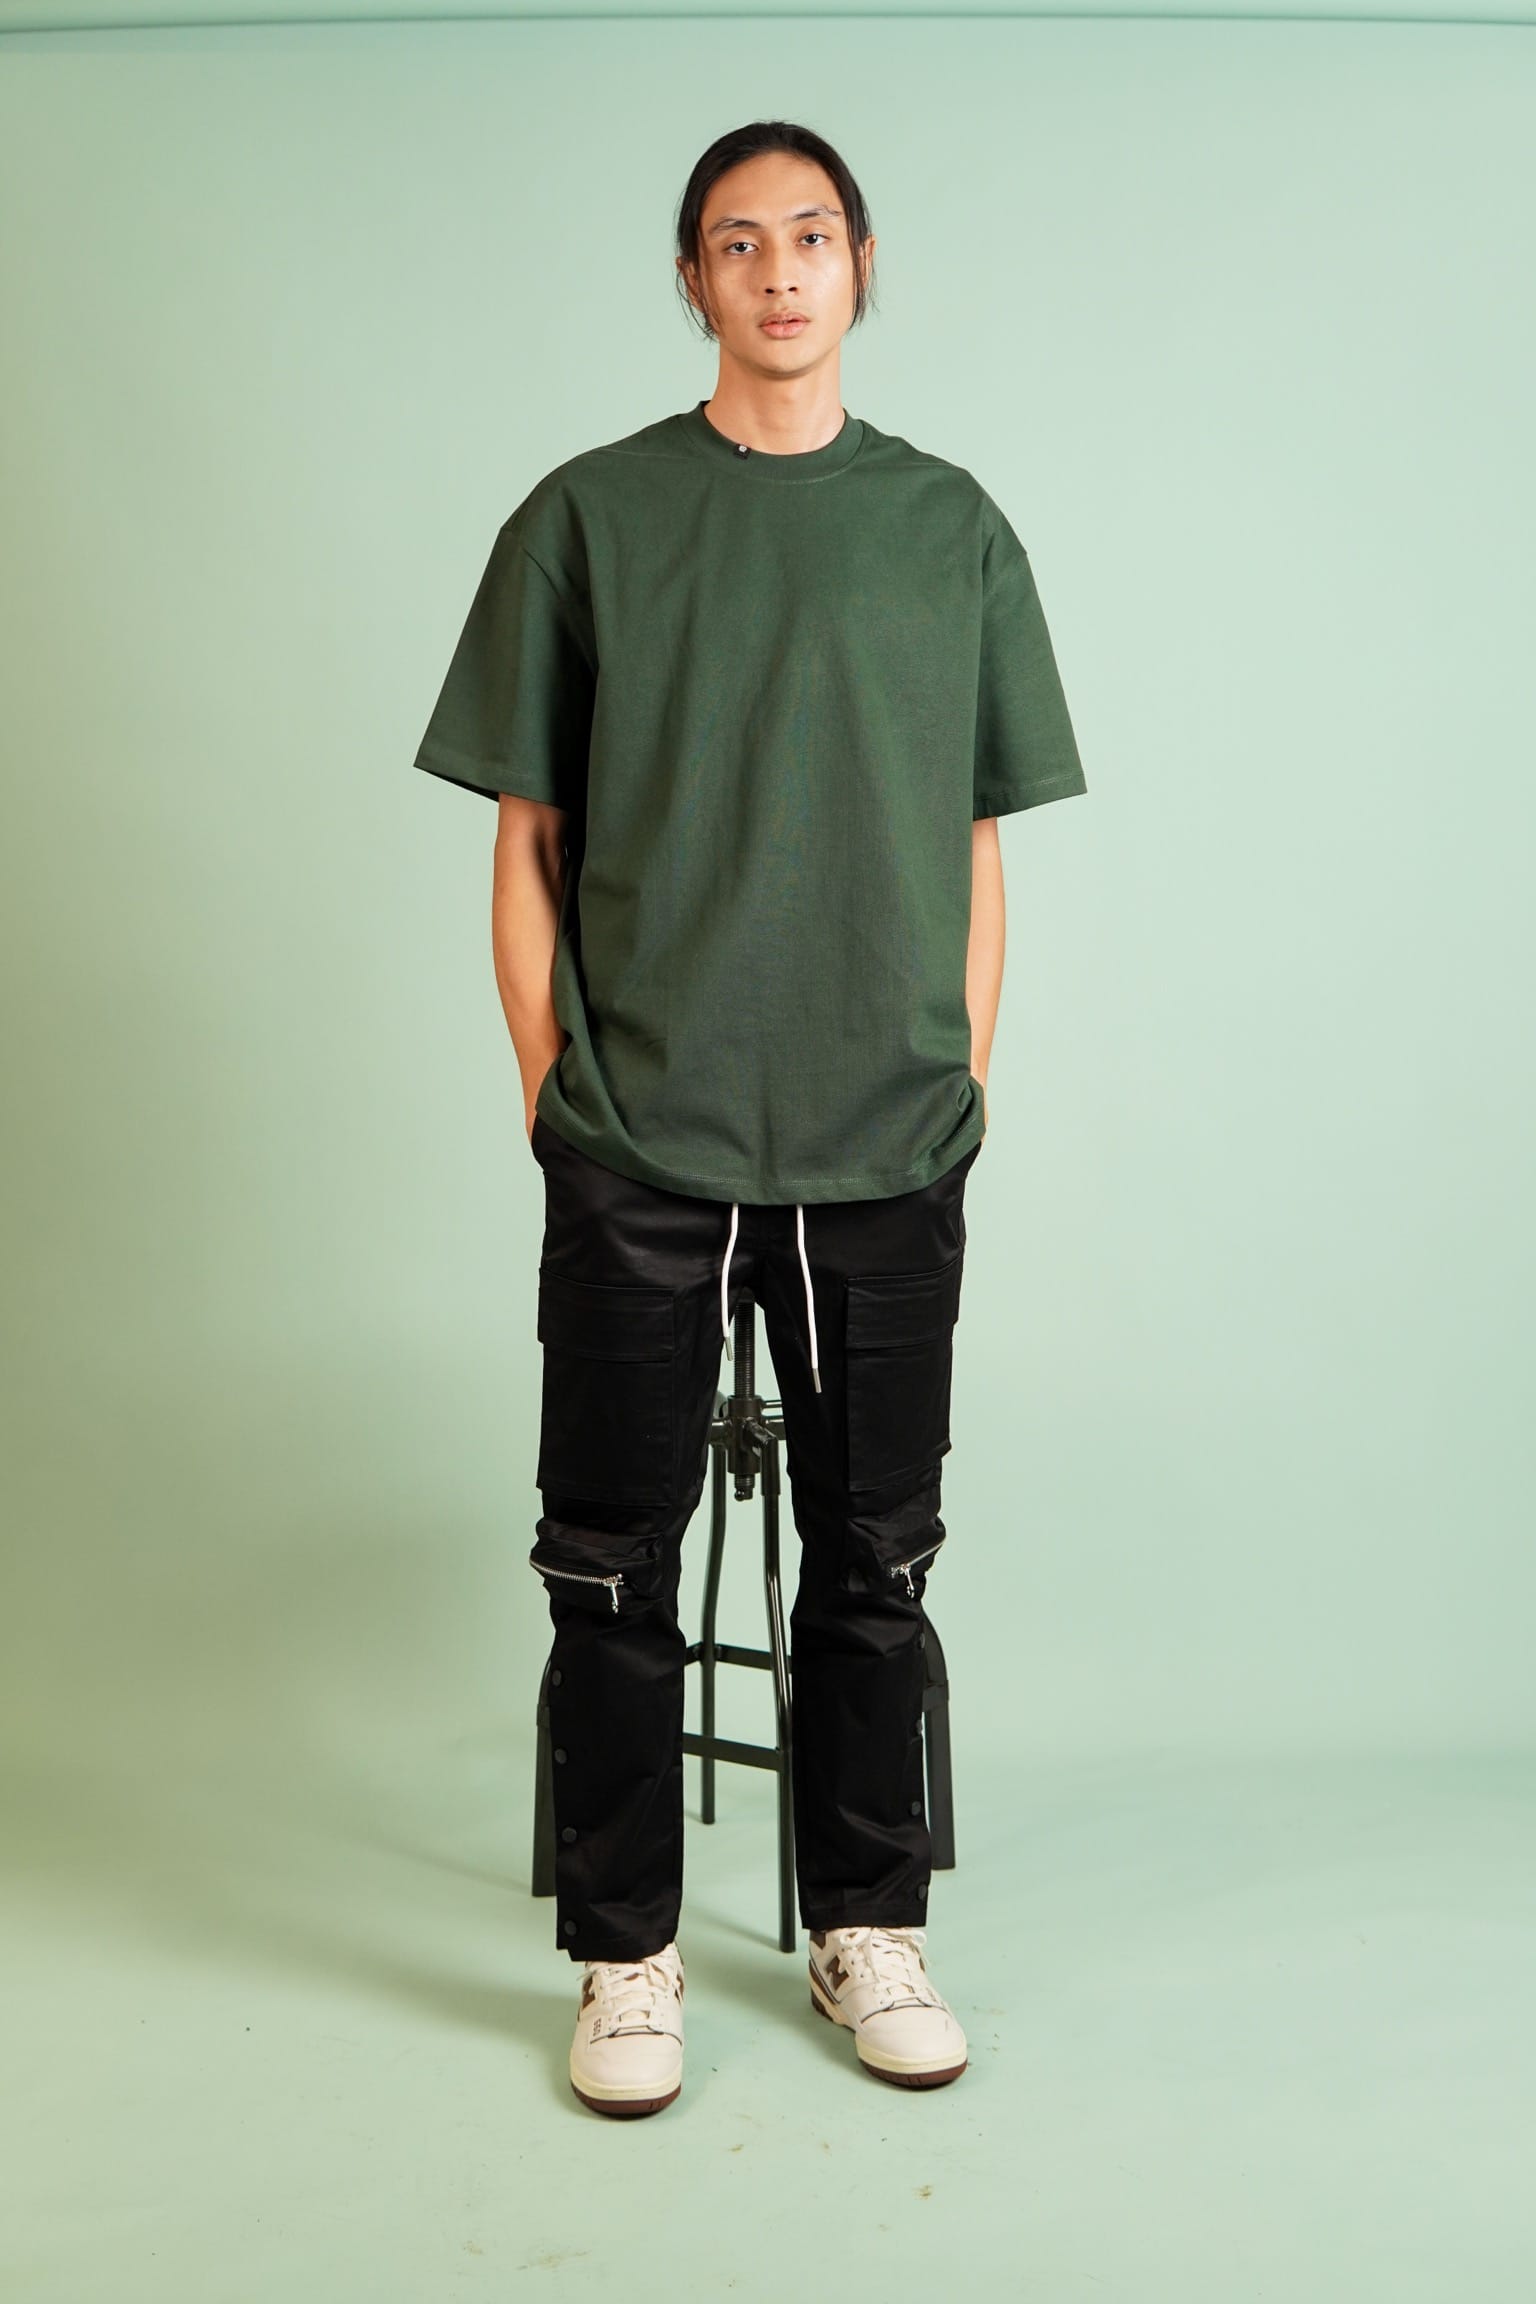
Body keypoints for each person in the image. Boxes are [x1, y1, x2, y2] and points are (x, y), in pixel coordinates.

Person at [412, 119, 1087, 2119]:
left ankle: (867, 1925)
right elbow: (528, 841)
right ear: (693, 280)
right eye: (736, 242)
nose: (779, 271)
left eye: (810, 235)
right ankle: (625, 1955)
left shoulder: (950, 527)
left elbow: (975, 840)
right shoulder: (590, 518)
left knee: (877, 1555)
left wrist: (963, 1075)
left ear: (862, 264)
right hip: (644, 1124)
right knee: (610, 1559)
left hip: (888, 1132)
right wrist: (553, 1095)